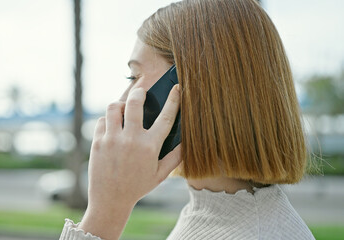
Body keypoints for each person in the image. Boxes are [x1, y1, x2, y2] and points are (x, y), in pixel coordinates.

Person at [59, 0, 315, 239]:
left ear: (194, 86)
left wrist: (106, 212)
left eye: (134, 77)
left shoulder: (255, 232)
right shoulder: (215, 211)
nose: (122, 102)